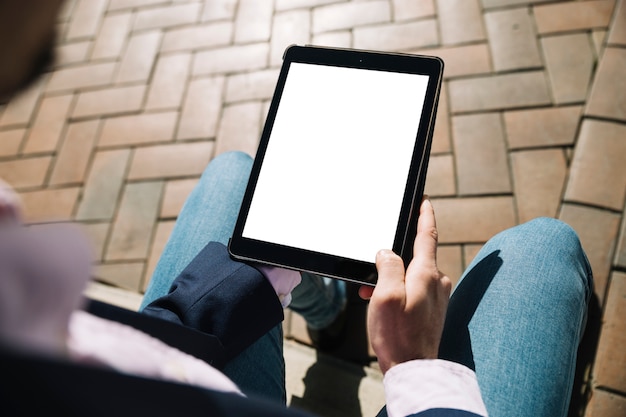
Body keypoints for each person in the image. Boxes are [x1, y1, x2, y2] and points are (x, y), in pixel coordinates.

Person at [0, 1, 593, 416]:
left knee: (239, 179)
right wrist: (416, 368)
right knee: (541, 248)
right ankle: (326, 307)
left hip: (181, 357)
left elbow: (135, 351)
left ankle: (325, 309)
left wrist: (270, 257)